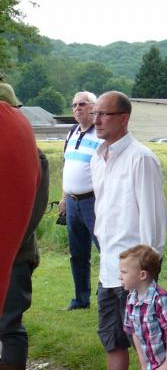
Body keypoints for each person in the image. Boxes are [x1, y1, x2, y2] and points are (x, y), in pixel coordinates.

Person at [71, 92, 167, 370]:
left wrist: (147, 271)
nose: (95, 120)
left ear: (124, 118)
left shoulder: (141, 159)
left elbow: (154, 219)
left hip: (136, 268)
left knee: (145, 341)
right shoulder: (98, 157)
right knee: (112, 337)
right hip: (110, 265)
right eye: (95, 113)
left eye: (104, 114)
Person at [0, 87, 46, 370]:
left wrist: (9, 243)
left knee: (9, 324)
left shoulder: (32, 154)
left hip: (16, 252)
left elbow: (33, 209)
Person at [59, 91, 101, 310]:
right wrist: (63, 198)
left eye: (82, 104)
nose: (77, 108)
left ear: (94, 107)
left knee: (105, 250)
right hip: (72, 203)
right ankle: (81, 299)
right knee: (77, 253)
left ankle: (109, 296)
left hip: (93, 202)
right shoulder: (71, 133)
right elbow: (67, 167)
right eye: (74, 105)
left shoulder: (101, 134)